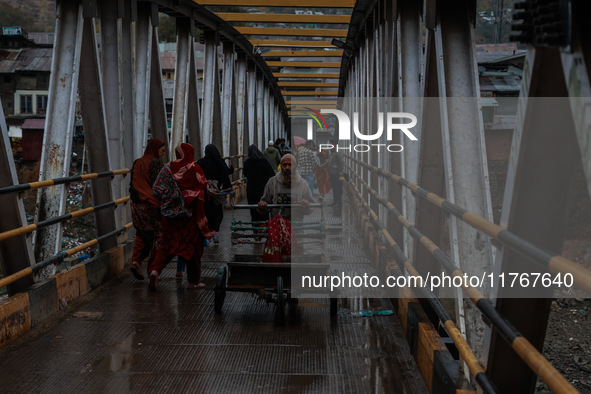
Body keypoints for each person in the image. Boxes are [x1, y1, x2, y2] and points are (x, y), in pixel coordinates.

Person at [149, 143, 215, 291]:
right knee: (194, 248)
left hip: (168, 217)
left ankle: (155, 271)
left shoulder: (166, 169)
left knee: (166, 245)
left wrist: (169, 200)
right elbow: (203, 188)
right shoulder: (194, 168)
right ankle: (193, 281)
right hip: (189, 217)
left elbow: (156, 190)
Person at [129, 138, 166, 280]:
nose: (162, 154)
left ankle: (136, 261)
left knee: (141, 233)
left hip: (137, 205)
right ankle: (153, 270)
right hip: (151, 205)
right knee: (158, 236)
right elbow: (159, 185)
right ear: (155, 149)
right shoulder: (156, 163)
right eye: (162, 150)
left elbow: (132, 184)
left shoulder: (137, 162)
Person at [258, 154, 313, 222]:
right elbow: (264, 203)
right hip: (277, 225)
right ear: (281, 166)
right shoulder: (272, 182)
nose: (287, 167)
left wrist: (306, 205)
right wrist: (263, 205)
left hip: (297, 227)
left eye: (290, 165)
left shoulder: (303, 184)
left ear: (295, 166)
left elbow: (311, 207)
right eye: (284, 165)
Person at [197, 144, 232, 244]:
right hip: (217, 192)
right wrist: (226, 188)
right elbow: (225, 174)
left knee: (206, 213)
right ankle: (216, 234)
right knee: (217, 214)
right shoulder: (219, 161)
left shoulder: (201, 162)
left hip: (205, 193)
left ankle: (207, 236)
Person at [243, 144, 276, 222]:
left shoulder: (247, 162)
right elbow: (272, 174)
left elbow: (245, 174)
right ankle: (264, 226)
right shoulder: (264, 161)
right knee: (264, 207)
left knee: (253, 208)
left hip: (251, 189)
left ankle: (255, 228)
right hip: (263, 188)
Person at [324, 139, 344, 206]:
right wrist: (320, 166)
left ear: (335, 145)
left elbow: (341, 162)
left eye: (330, 144)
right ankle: (335, 201)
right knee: (334, 188)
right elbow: (328, 162)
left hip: (337, 173)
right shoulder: (331, 152)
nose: (329, 145)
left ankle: (338, 202)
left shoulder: (338, 152)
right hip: (332, 173)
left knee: (338, 188)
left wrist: (340, 172)